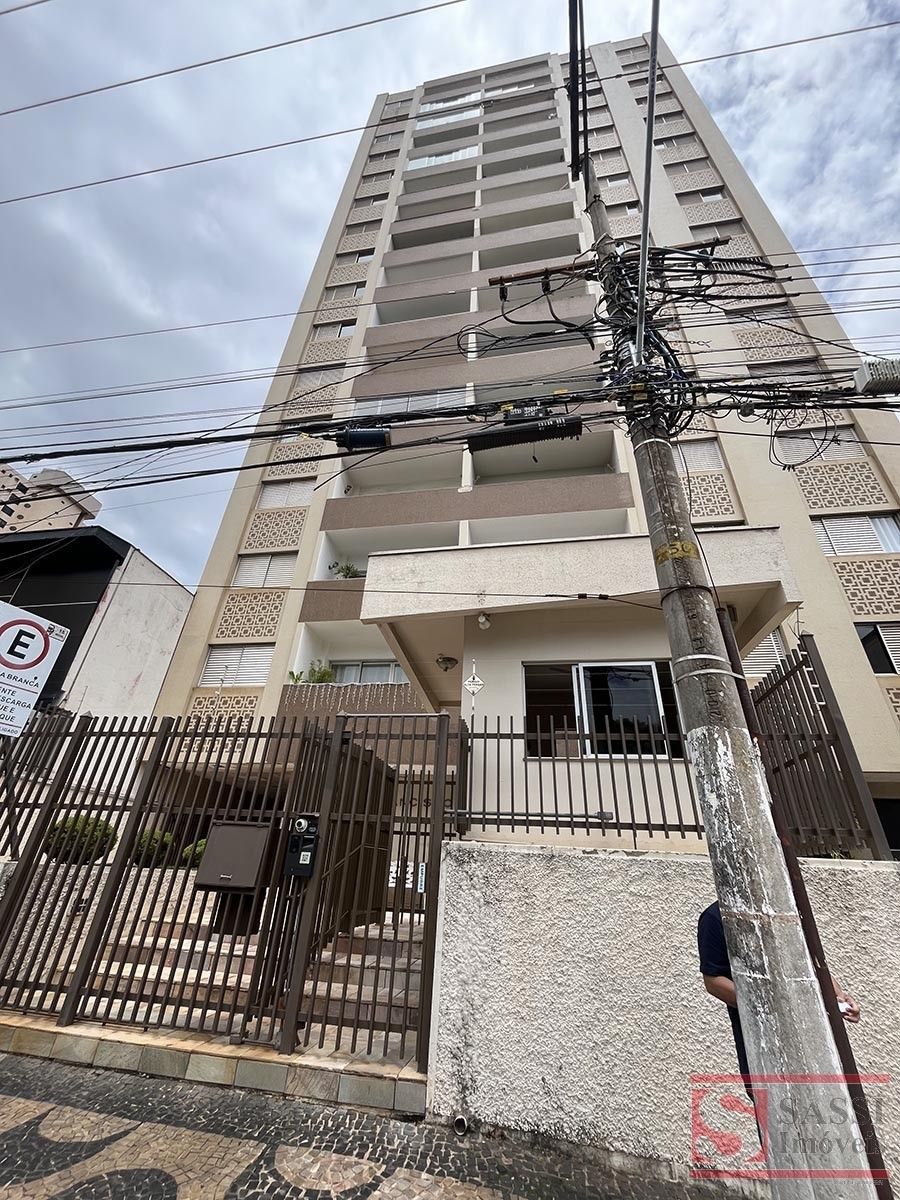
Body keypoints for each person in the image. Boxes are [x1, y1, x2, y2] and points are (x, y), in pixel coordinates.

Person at [697, 900, 860, 1091]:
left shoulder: (783, 905)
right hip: (765, 1049)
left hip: (816, 1043)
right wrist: (778, 1005)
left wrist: (840, 998)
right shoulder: (716, 916)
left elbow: (809, 964)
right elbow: (714, 982)